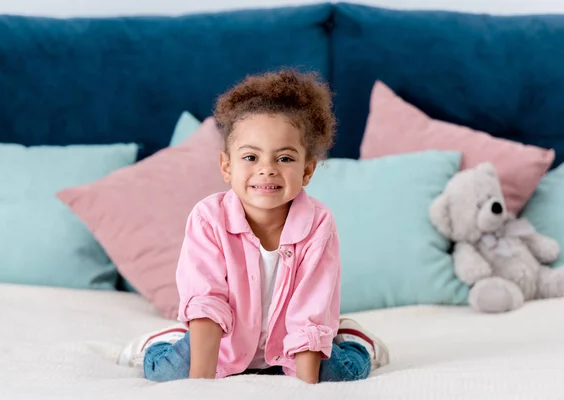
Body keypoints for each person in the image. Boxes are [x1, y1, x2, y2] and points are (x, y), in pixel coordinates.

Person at [117, 69, 390, 384]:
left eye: (285, 159)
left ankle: (353, 337)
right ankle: (166, 339)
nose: (267, 170)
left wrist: (306, 388)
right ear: (226, 166)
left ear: (307, 171)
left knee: (339, 373)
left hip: (289, 347)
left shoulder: (318, 224)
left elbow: (310, 308)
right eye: (250, 157)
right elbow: (209, 300)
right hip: (224, 344)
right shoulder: (208, 219)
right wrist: (198, 387)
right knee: (170, 371)